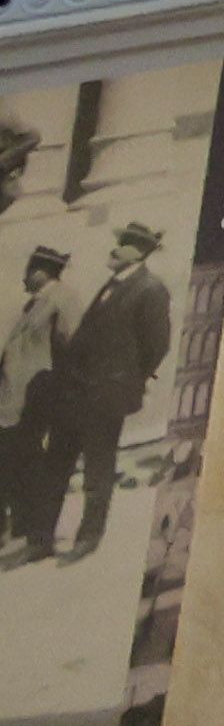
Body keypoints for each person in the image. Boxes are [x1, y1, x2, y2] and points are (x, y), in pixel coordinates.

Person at [60, 222, 177, 561]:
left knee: (99, 461)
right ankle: (39, 537)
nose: (114, 249)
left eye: (122, 244)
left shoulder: (150, 289)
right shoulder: (112, 284)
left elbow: (157, 345)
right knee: (67, 457)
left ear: (138, 252)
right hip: (82, 387)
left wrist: (125, 378)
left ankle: (88, 536)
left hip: (109, 391)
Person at [0, 243, 70, 564]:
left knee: (29, 465)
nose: (23, 280)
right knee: (14, 462)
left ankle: (38, 538)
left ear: (40, 273)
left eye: (27, 273)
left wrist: (53, 390)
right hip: (15, 401)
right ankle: (25, 529)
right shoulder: (37, 304)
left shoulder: (60, 300)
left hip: (36, 398)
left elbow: (70, 347)